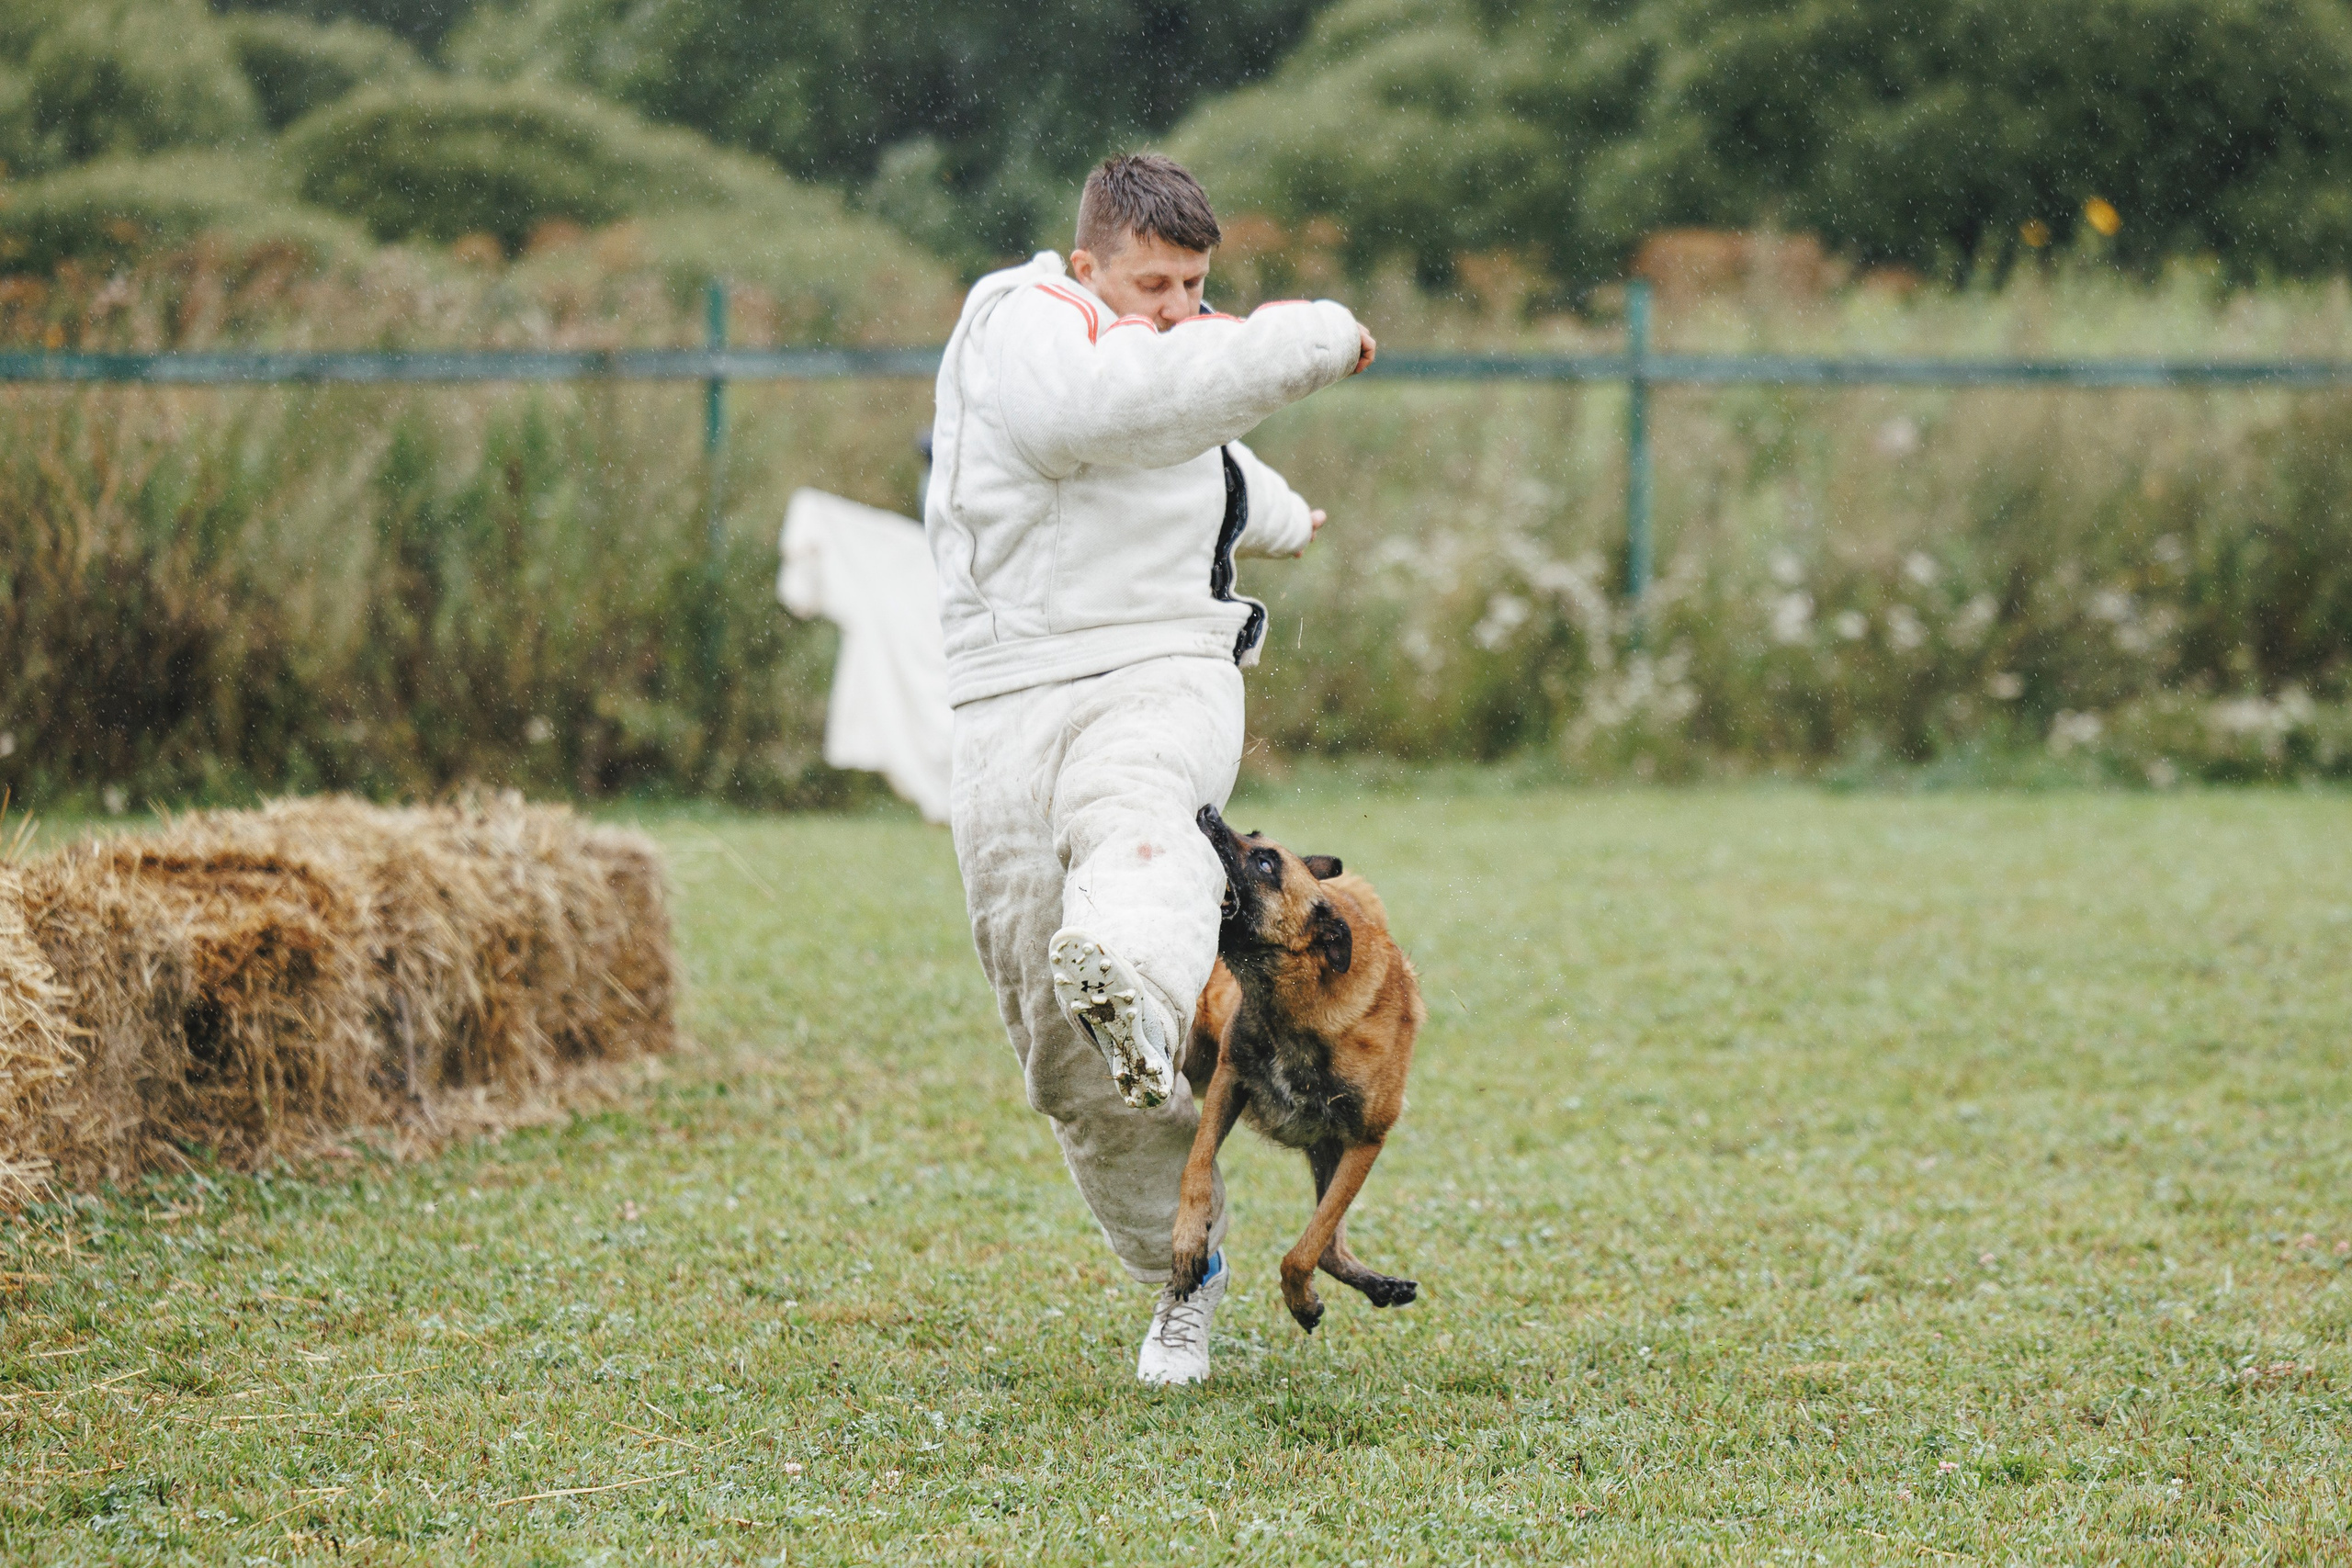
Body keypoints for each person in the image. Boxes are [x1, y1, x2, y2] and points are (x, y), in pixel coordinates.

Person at [927, 152, 1374, 1385]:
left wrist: (1291, 520)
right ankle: (1187, 1268)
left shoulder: (1172, 358)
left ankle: (1130, 970)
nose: (1179, 308)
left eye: (1196, 286)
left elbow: (1219, 459)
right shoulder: (1025, 330)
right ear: (1087, 268)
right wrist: (1314, 341)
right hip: (1008, 697)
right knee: (1065, 1066)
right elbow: (1119, 413)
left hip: (1164, 668)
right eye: (1153, 282)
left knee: (1145, 827)